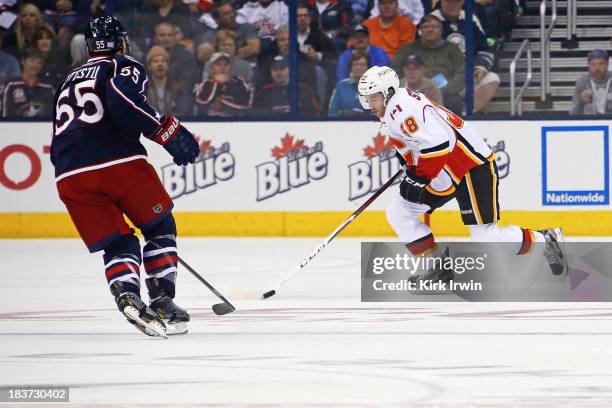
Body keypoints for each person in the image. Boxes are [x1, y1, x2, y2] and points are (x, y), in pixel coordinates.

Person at [50, 16, 200, 338]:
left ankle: (127, 295)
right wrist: (167, 131)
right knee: (159, 227)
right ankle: (162, 302)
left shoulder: (68, 80)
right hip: (118, 163)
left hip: (69, 176)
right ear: (120, 41)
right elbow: (122, 100)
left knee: (119, 243)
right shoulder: (120, 64)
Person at [357, 65, 566, 284]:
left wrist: (419, 178)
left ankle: (545, 239)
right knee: (400, 211)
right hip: (443, 170)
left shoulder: (401, 109)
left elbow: (438, 144)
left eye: (373, 98)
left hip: (469, 166)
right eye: (366, 99)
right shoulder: (396, 105)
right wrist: (411, 167)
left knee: (486, 239)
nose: (370, 105)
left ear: (388, 92)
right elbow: (424, 144)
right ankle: (437, 269)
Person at [430, 0, 499, 111]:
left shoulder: (470, 19)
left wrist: (480, 67)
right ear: (441, 1)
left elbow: (485, 49)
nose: (453, 5)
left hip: (465, 77)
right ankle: (440, 116)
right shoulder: (430, 21)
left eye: (456, 1)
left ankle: (465, 115)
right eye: (449, 1)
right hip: (440, 79)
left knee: (491, 79)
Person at [392, 15, 464, 114]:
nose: (429, 30)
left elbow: (462, 74)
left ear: (441, 31)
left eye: (434, 27)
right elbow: (394, 72)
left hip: (446, 94)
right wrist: (409, 89)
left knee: (455, 102)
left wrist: (440, 90)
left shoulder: (452, 49)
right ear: (420, 30)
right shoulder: (408, 48)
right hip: (411, 92)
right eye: (425, 27)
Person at [194, 0, 261, 64]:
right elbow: (202, 55)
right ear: (217, 19)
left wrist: (225, 57)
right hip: (219, 72)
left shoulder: (247, 28)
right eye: (226, 14)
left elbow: (254, 48)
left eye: (232, 11)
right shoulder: (209, 35)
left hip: (247, 69)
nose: (232, 15)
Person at [254, 55, 320, 115]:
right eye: (275, 69)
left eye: (282, 69)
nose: (279, 73)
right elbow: (257, 114)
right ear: (270, 71)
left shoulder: (304, 89)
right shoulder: (264, 91)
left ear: (290, 70)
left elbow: (315, 113)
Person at [194, 52, 254, 117]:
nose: (223, 68)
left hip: (236, 120)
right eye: (218, 65)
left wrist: (221, 102)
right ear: (211, 68)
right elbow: (202, 103)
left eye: (226, 64)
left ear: (230, 67)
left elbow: (248, 105)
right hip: (211, 121)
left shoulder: (240, 82)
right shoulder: (205, 83)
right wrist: (217, 82)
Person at [2, 48, 54, 118]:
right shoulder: (11, 85)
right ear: (23, 61)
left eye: (39, 62)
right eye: (32, 61)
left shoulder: (47, 87)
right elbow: (6, 114)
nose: (35, 65)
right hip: (15, 127)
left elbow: (52, 113)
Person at [146, 45, 193, 116]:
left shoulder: (178, 88)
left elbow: (182, 111)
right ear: (149, 66)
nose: (160, 64)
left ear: (168, 65)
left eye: (163, 61)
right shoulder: (143, 89)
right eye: (156, 61)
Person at [152, 22, 197, 94]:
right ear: (155, 38)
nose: (166, 38)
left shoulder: (186, 55)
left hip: (179, 93)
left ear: (175, 38)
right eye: (162, 35)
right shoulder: (148, 55)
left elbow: (187, 81)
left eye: (170, 35)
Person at [328, 50, 370, 117]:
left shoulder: (374, 86)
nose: (358, 67)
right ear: (350, 67)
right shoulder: (341, 85)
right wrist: (342, 113)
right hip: (343, 124)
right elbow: (332, 112)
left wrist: (364, 115)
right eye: (355, 64)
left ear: (368, 68)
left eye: (362, 65)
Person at [570, 50, 612, 115]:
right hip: (591, 122)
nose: (597, 68)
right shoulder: (582, 82)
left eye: (601, 64)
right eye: (593, 64)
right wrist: (581, 102)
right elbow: (573, 114)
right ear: (588, 65)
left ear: (607, 64)